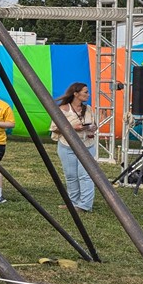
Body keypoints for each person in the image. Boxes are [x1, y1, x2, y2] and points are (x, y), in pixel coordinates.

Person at [50, 82, 97, 214]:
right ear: (76, 94)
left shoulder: (88, 109)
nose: (88, 95)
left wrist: (92, 128)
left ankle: (85, 205)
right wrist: (72, 128)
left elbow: (94, 124)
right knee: (71, 176)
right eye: (85, 92)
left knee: (86, 175)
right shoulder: (62, 109)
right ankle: (73, 202)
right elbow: (54, 128)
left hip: (86, 145)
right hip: (67, 146)